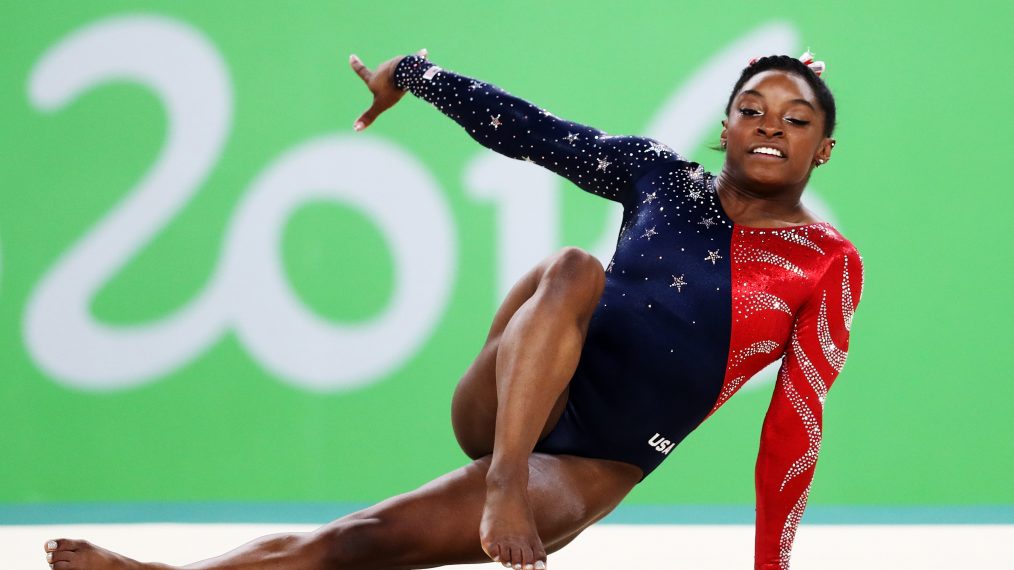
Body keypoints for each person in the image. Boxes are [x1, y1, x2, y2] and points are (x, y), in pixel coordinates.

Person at [43, 48, 863, 570]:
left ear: (821, 150)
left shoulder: (826, 263)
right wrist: (419, 77)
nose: (769, 128)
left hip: (588, 465)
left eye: (795, 121)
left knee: (365, 541)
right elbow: (536, 132)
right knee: (573, 266)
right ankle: (501, 477)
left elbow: (795, 422)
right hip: (512, 408)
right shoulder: (661, 177)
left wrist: (771, 567)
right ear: (723, 127)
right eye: (751, 110)